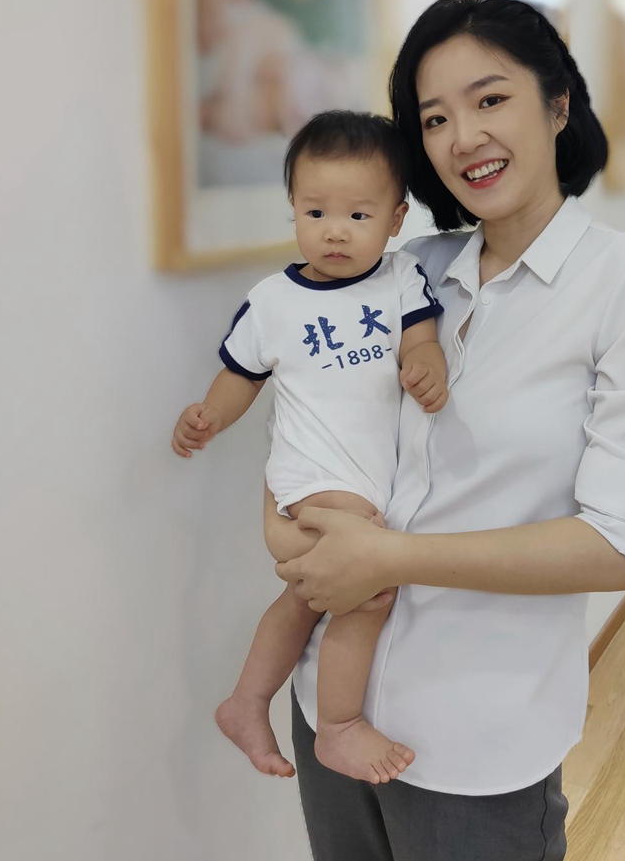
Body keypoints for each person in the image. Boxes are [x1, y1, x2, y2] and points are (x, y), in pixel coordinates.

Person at [272, 0, 625, 861]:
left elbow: (617, 543)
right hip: (329, 704)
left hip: (475, 744)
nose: (464, 137)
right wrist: (286, 525)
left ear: (558, 103)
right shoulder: (408, 273)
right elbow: (311, 409)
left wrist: (390, 557)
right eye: (435, 118)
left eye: (491, 99)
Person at [171, 111, 448, 785]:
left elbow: (420, 339)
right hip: (312, 477)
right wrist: (210, 415)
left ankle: (246, 700)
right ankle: (339, 725)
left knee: (306, 597)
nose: (334, 230)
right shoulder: (272, 302)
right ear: (293, 207)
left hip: (367, 478)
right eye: (316, 211)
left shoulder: (401, 280)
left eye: (358, 215)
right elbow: (240, 377)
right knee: (371, 586)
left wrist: (425, 362)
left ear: (396, 219)